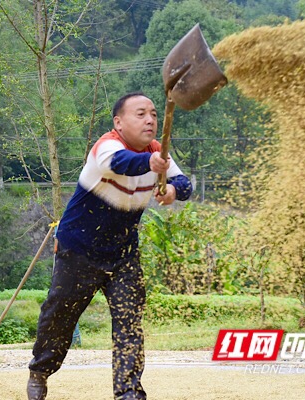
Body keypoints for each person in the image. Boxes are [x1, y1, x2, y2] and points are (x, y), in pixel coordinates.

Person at [27, 92, 193, 400]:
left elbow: (186, 184)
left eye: (154, 114)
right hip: (79, 249)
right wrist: (150, 162)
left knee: (130, 322)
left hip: (123, 255)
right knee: (60, 316)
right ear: (118, 122)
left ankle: (128, 393)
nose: (150, 120)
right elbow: (123, 163)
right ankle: (40, 372)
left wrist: (171, 188)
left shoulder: (159, 152)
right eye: (141, 114)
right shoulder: (106, 147)